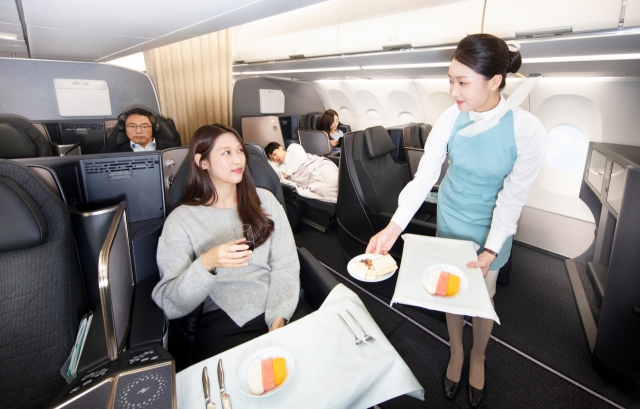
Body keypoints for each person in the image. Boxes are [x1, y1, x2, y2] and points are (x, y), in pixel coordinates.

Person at [366, 34, 545, 407]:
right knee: (449, 289)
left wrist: (492, 248)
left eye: (462, 82)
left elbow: (512, 200)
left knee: (482, 296)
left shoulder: (527, 130)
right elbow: (425, 178)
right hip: (452, 212)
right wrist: (393, 227)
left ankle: (477, 355)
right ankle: (457, 351)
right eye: (451, 79)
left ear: (495, 80)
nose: (452, 90)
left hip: (491, 224)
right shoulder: (451, 118)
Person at [152, 124, 303, 363]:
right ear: (203, 162)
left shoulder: (266, 201)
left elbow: (286, 266)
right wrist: (207, 262)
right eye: (226, 153)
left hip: (280, 304)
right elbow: (171, 304)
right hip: (225, 321)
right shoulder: (181, 219)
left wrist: (279, 318)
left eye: (240, 151)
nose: (238, 160)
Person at [265, 141, 338, 201]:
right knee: (324, 190)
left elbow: (301, 158)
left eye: (274, 154)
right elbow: (271, 169)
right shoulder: (281, 168)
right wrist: (271, 161)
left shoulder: (292, 148)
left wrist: (288, 173)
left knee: (332, 179)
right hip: (307, 177)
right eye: (272, 158)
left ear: (280, 147)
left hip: (315, 166)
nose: (275, 158)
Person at [101, 107, 178, 153]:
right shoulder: (110, 152)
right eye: (132, 126)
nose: (138, 131)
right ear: (124, 128)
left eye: (144, 126)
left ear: (154, 128)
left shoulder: (173, 149)